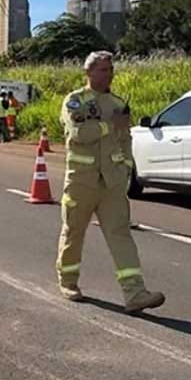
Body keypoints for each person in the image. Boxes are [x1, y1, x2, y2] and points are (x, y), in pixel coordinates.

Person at [57, 51, 165, 314]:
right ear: (89, 72)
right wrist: (109, 125)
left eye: (111, 69)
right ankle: (68, 281)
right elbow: (80, 133)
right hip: (82, 181)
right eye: (103, 70)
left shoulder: (117, 103)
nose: (109, 75)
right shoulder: (75, 101)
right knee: (73, 232)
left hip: (112, 183)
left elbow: (125, 138)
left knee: (121, 235)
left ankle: (135, 293)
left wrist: (126, 166)